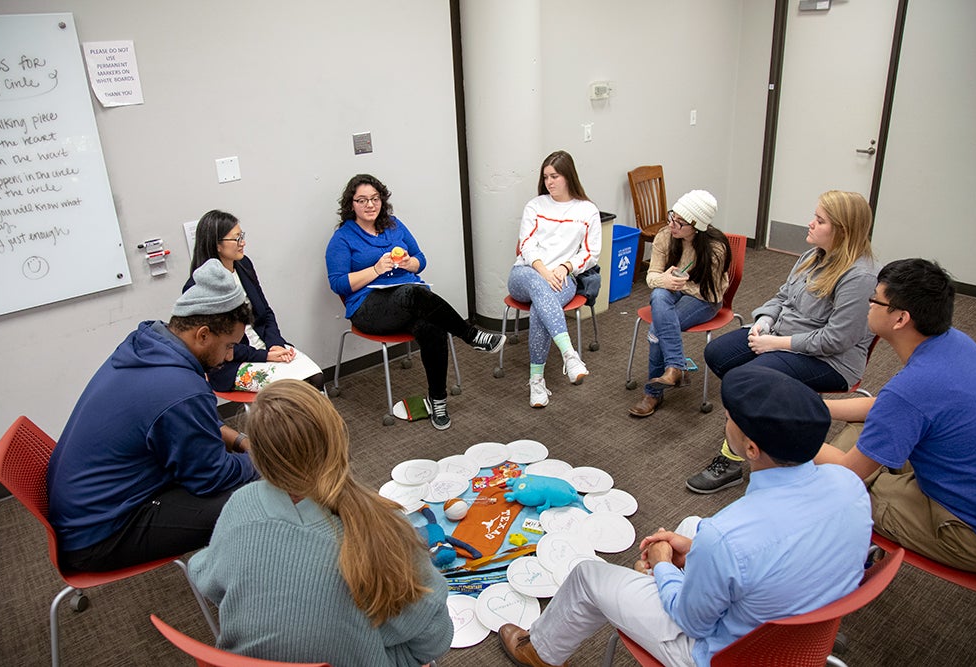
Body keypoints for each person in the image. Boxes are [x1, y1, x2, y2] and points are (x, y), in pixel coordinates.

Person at [497, 365, 872, 667]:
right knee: (694, 525)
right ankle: (667, 569)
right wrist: (695, 549)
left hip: (721, 654)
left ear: (752, 449)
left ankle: (540, 652)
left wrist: (663, 565)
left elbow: (691, 621)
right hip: (799, 636)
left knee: (587, 576)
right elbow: (763, 549)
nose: (727, 416)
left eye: (733, 416)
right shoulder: (849, 485)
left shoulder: (729, 535)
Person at [189, 379, 452, 666]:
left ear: (258, 458)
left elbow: (204, 576)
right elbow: (434, 639)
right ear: (339, 440)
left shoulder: (241, 503)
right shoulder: (384, 526)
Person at [47, 259, 258, 572]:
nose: (229, 356)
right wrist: (265, 458)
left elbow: (191, 425)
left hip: (84, 508)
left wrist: (241, 441)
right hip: (99, 537)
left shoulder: (146, 346)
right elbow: (211, 478)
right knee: (256, 492)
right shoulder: (182, 389)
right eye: (229, 346)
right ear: (202, 335)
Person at [687, 190, 878, 494]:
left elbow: (835, 339)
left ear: (841, 231)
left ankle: (734, 458)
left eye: (820, 220)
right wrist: (764, 322)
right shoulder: (812, 256)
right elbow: (781, 297)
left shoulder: (860, 277)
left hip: (831, 360)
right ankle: (765, 421)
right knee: (718, 353)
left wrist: (777, 344)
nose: (810, 223)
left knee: (751, 378)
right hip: (782, 335)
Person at [816, 258, 976, 573]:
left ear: (900, 318)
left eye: (874, 300)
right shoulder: (956, 344)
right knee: (862, 434)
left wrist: (785, 428)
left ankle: (829, 563)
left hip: (970, 530)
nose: (869, 305)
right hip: (965, 479)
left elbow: (847, 472)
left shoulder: (912, 389)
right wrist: (815, 408)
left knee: (837, 487)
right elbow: (889, 408)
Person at [325, 173, 505, 430]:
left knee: (431, 325)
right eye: (362, 200)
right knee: (415, 293)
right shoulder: (343, 238)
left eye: (374, 198)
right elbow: (338, 283)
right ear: (351, 204)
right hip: (367, 307)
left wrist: (411, 263)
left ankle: (438, 400)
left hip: (407, 299)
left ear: (382, 200)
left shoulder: (394, 225)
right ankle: (471, 335)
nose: (370, 205)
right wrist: (375, 269)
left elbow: (420, 258)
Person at [185, 209, 324, 393]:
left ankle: (317, 423)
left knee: (316, 377)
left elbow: (265, 312)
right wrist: (266, 355)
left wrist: (275, 343)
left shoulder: (244, 265)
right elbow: (225, 350)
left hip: (266, 347)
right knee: (296, 389)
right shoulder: (198, 287)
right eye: (236, 239)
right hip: (233, 363)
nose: (243, 243)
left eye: (241, 235)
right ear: (217, 245)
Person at [507, 150, 602, 408]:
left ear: (568, 176)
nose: (549, 182)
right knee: (540, 288)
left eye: (555, 176)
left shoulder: (587, 210)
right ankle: (569, 355)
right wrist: (544, 271)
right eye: (546, 177)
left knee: (541, 306)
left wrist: (566, 266)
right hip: (526, 274)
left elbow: (591, 253)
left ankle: (536, 381)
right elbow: (526, 245)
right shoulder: (535, 206)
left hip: (564, 278)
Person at [629, 190, 732, 418]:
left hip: (704, 299)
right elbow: (651, 277)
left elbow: (711, 292)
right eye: (672, 217)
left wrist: (676, 283)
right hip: (672, 292)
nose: (672, 225)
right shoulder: (665, 236)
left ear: (697, 227)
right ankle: (676, 367)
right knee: (658, 296)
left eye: (680, 223)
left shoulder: (715, 248)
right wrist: (665, 280)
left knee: (657, 329)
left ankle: (652, 394)